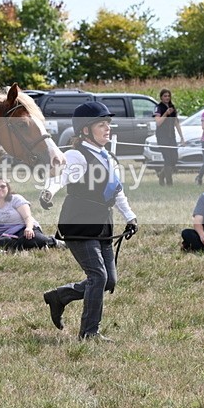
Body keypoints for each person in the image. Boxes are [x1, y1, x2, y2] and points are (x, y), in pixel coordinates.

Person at [38, 102, 138, 342]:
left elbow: (117, 191)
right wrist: (48, 192)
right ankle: (89, 333)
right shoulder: (76, 155)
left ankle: (60, 296)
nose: (107, 129)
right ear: (85, 130)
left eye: (108, 124)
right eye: (101, 125)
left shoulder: (107, 156)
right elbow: (60, 178)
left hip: (103, 223)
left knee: (108, 280)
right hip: (79, 222)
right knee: (98, 276)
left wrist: (130, 216)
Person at [0, 178, 60, 252]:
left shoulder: (16, 199)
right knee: (2, 242)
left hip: (24, 229)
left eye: (3, 186)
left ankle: (53, 241)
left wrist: (29, 228)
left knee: (38, 241)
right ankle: (26, 246)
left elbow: (27, 217)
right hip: (7, 236)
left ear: (8, 188)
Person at [153, 88, 185, 186]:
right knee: (167, 159)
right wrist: (166, 114)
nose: (167, 98)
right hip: (162, 137)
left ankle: (162, 175)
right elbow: (158, 123)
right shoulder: (158, 108)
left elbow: (176, 122)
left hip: (172, 137)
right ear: (161, 97)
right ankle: (169, 183)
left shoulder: (172, 107)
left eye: (168, 96)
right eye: (165, 96)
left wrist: (182, 137)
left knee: (174, 159)